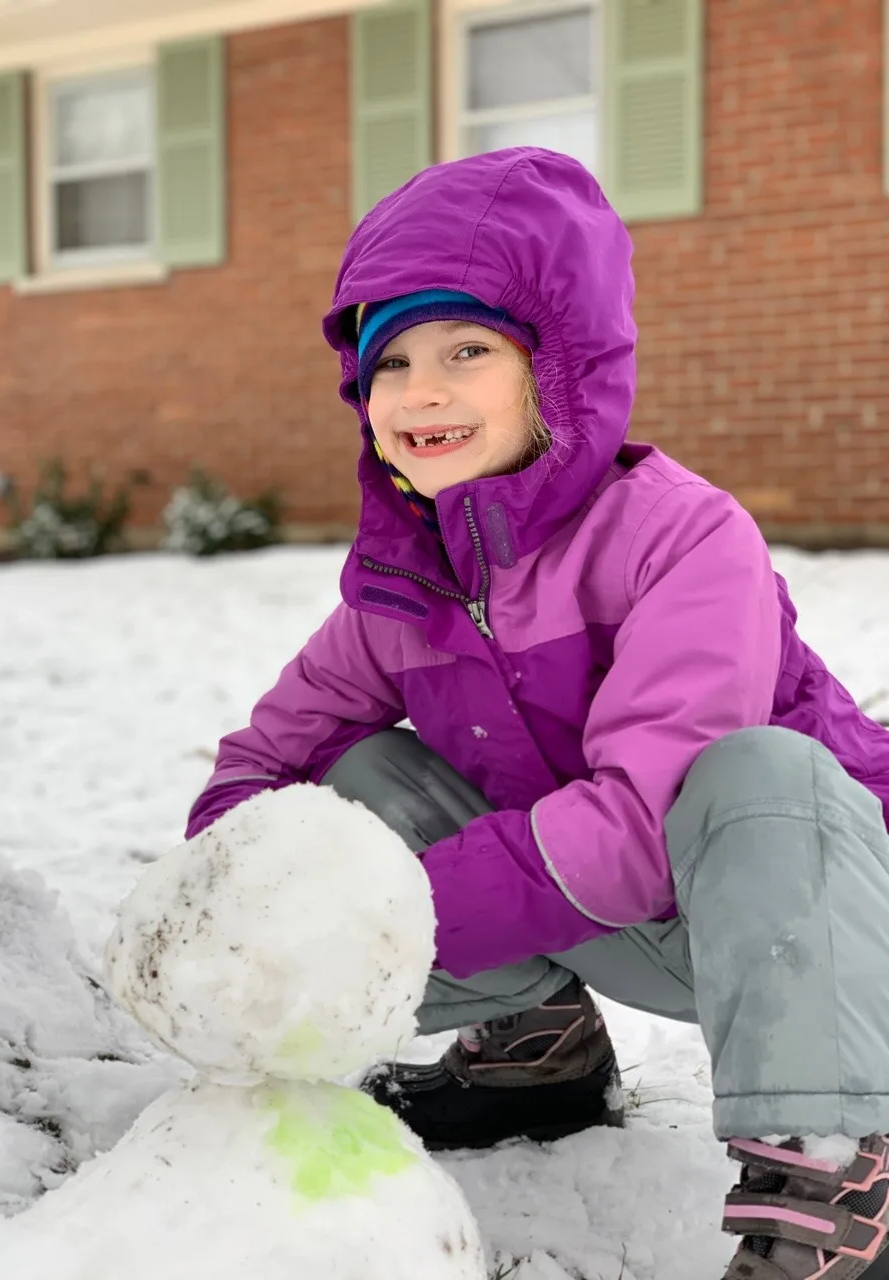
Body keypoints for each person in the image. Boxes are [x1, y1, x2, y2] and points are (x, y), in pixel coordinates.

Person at [186, 147, 889, 1278]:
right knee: (354, 773)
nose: (420, 390)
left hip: (816, 933)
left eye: (468, 349)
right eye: (391, 362)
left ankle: (836, 1161)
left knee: (758, 768)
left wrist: (386, 917)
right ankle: (534, 1049)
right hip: (617, 915)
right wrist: (223, 905)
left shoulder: (682, 536)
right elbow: (266, 758)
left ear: (560, 369)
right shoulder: (403, 584)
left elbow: (641, 818)